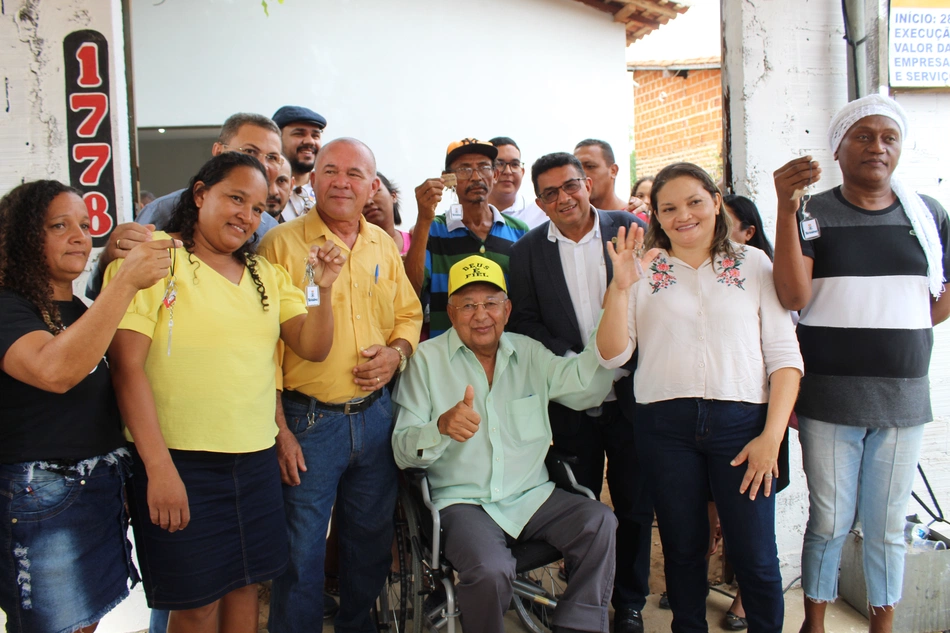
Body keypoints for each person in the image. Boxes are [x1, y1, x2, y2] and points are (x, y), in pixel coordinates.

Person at [105, 152, 343, 633]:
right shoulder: (152, 262)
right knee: (195, 606)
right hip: (180, 463)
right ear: (199, 194)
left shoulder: (267, 277)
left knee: (246, 589)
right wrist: (159, 469)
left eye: (257, 208)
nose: (247, 216)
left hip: (253, 461)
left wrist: (322, 286)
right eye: (236, 198)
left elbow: (313, 346)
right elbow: (126, 370)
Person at [596, 162, 803, 633]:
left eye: (694, 201)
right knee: (683, 549)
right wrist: (620, 285)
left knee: (754, 552)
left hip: (743, 426)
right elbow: (612, 355)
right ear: (656, 216)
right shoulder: (643, 269)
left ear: (715, 200)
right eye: (668, 208)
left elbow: (785, 358)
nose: (682, 215)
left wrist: (772, 436)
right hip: (664, 428)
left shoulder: (752, 264)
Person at [771, 93, 950, 633]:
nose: (878, 147)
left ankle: (882, 623)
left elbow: (938, 301)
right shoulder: (812, 213)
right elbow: (793, 296)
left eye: (888, 137)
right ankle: (816, 622)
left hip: (902, 398)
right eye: (864, 137)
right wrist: (784, 206)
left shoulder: (928, 214)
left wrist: (897, 331)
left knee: (887, 524)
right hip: (828, 395)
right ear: (840, 147)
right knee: (828, 519)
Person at [392, 255, 621, 633]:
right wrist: (440, 428)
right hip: (463, 501)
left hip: (531, 495)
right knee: (490, 569)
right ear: (450, 312)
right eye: (467, 305)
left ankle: (578, 626)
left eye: (490, 303)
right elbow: (402, 450)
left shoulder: (528, 352)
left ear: (507, 308)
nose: (481, 315)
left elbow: (585, 388)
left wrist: (612, 309)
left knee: (600, 522)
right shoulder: (427, 362)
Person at [257, 138, 423, 630]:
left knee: (369, 541)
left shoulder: (383, 245)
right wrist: (280, 430)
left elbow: (408, 315)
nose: (342, 182)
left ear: (373, 185)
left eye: (355, 174)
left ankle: (358, 624)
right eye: (331, 171)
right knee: (300, 551)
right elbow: (263, 347)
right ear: (314, 179)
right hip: (308, 421)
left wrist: (397, 354)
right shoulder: (282, 245)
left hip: (375, 416)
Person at [0, 180, 175, 633]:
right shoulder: (7, 307)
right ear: (21, 236)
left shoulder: (80, 309)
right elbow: (54, 371)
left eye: (85, 224)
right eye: (60, 226)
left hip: (98, 488)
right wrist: (127, 280)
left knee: (82, 623)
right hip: (42, 495)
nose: (80, 236)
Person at [508, 152, 652, 633]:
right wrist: (572, 363)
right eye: (550, 193)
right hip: (571, 402)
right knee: (579, 502)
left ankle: (629, 604)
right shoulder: (528, 251)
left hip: (633, 395)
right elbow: (524, 320)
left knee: (634, 504)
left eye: (570, 185)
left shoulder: (628, 227)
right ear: (539, 202)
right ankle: (582, 601)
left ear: (587, 183)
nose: (563, 198)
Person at [85, 112, 286, 300]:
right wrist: (109, 259)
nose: (262, 165)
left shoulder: (271, 230)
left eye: (272, 158)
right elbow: (115, 291)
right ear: (218, 151)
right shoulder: (162, 211)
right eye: (250, 151)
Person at [406, 137, 529, 337]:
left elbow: (528, 301)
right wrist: (423, 220)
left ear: (495, 174)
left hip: (508, 355)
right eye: (464, 169)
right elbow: (410, 292)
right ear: (447, 179)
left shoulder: (519, 231)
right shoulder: (432, 229)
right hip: (448, 357)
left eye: (484, 167)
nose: (476, 177)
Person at [272, 105, 327, 223]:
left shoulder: (327, 191)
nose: (309, 141)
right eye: (299, 134)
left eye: (315, 135)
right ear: (277, 139)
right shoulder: (265, 192)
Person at [574, 139, 647, 218]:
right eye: (577, 169)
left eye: (590, 166)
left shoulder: (636, 219)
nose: (582, 175)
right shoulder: (567, 221)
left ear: (613, 171)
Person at [487, 136, 548, 229]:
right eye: (500, 164)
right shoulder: (466, 213)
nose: (508, 171)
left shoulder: (542, 212)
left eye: (514, 164)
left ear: (522, 172)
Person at [362, 172, 411, 256]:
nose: (368, 202)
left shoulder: (418, 241)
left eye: (376, 191)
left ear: (393, 196)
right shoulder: (355, 250)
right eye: (362, 196)